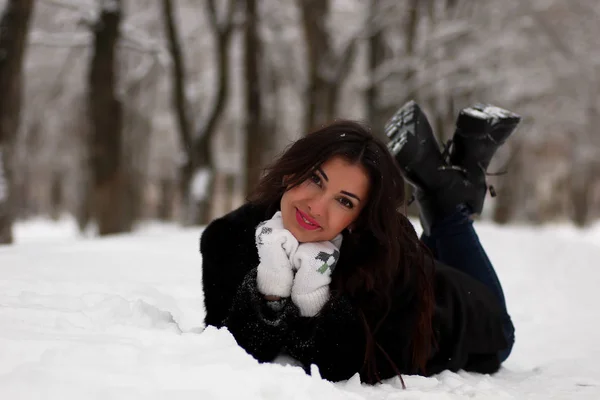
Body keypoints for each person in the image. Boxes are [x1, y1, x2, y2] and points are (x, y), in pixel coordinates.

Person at [199, 100, 520, 385]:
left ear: (358, 220)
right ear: (290, 173)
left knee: (502, 331)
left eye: (344, 201)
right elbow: (230, 345)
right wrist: (270, 284)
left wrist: (312, 292)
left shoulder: (383, 262)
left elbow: (341, 366)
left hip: (467, 320)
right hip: (426, 273)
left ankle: (444, 202)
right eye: (315, 179)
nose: (316, 206)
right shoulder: (229, 239)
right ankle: (441, 187)